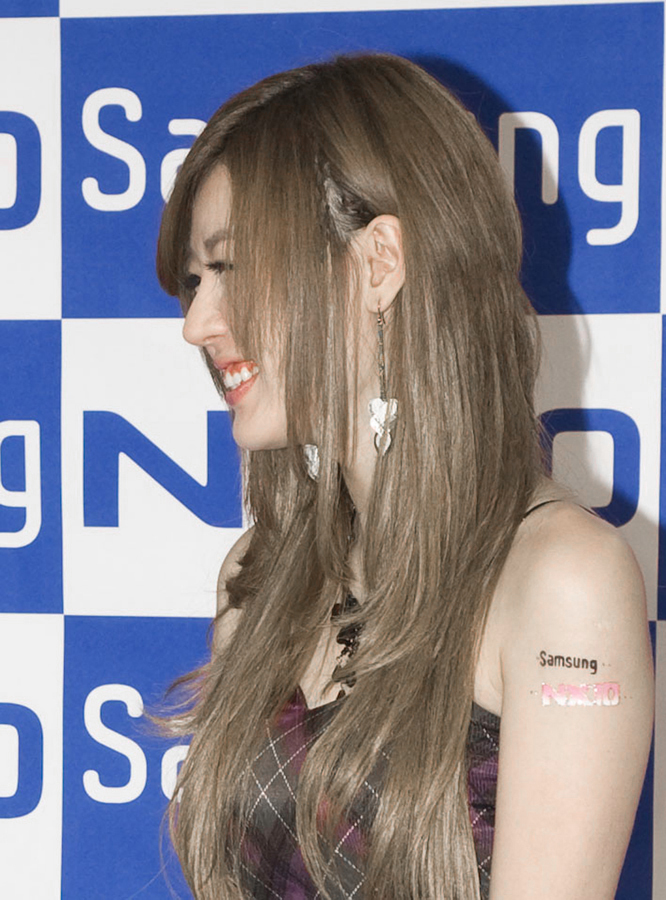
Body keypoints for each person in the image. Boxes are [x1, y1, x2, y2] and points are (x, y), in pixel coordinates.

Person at [150, 52, 655, 900]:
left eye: (229, 268)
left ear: (379, 261)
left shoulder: (566, 580)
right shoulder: (260, 576)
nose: (197, 323)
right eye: (195, 282)